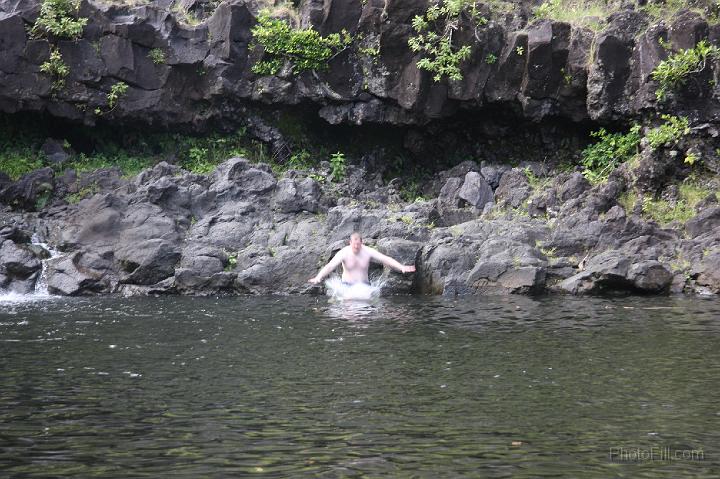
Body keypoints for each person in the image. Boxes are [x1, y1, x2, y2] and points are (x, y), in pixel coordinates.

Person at [308, 232, 416, 285]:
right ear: (350, 243)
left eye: (358, 245)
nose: (356, 247)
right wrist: (319, 277)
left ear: (361, 243)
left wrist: (401, 267)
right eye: (354, 245)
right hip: (347, 286)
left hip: (364, 286)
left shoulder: (367, 251)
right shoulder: (344, 252)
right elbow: (330, 266)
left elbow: (385, 259)